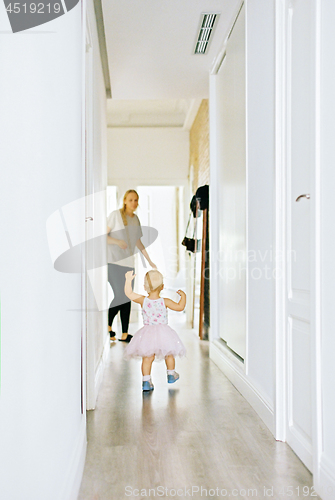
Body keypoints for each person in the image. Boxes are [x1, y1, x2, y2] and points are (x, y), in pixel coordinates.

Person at [124, 269, 186, 391]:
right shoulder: (165, 301)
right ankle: (171, 374)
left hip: (147, 333)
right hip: (164, 333)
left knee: (147, 358)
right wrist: (183, 297)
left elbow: (129, 294)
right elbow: (180, 307)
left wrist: (128, 280)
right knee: (169, 354)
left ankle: (146, 381)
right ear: (162, 287)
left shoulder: (143, 300)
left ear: (144, 287)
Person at [107, 189, 156, 342]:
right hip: (113, 262)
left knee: (127, 296)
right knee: (120, 295)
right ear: (125, 201)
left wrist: (149, 260)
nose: (134, 203)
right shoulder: (115, 215)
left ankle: (124, 333)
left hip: (129, 264)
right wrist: (117, 242)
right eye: (130, 200)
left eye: (136, 200)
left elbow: (138, 242)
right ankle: (108, 324)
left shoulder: (135, 219)